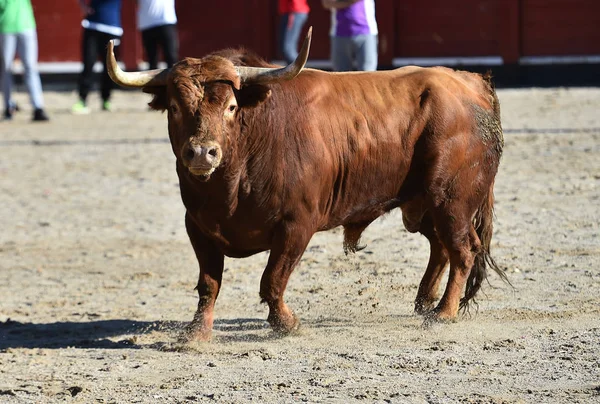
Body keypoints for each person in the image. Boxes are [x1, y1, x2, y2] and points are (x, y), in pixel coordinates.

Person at [0, 0, 49, 121]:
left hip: (26, 23)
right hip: (5, 25)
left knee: (30, 66)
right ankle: (8, 105)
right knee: (6, 67)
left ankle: (38, 107)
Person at [72, 0, 123, 114]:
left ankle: (106, 99)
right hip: (92, 25)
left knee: (110, 67)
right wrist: (83, 5)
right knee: (88, 63)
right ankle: (82, 99)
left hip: (113, 27)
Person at [321, 0, 378, 72]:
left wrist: (342, 3)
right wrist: (349, 2)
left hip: (366, 31)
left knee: (368, 74)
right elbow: (327, 3)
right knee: (341, 75)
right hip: (339, 33)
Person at [137, 0, 179, 70]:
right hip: (146, 24)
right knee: (152, 60)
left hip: (166, 21)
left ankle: (173, 80)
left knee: (171, 57)